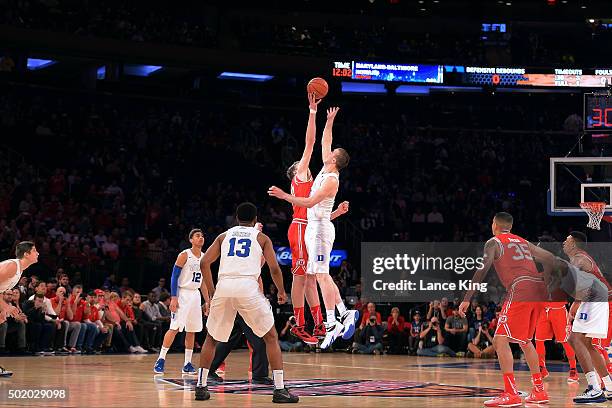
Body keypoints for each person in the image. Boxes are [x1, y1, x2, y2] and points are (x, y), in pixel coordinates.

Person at [269, 106, 357, 350]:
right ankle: (320, 318)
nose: (304, 162)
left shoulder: (327, 177)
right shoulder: (307, 175)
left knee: (315, 276)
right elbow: (318, 143)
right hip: (304, 227)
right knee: (307, 277)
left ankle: (328, 321)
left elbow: (315, 145)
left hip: (315, 226)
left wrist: (314, 113)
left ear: (334, 159)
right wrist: (325, 119)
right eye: (299, 164)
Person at [195, 202, 298, 403]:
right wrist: (281, 291)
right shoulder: (261, 238)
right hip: (247, 287)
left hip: (224, 286)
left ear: (236, 218)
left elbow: (204, 263)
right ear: (255, 220)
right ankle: (279, 390)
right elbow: (274, 268)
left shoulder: (223, 236)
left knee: (211, 339)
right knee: (270, 336)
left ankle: (200, 386)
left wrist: (213, 290)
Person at [458, 212, 554, 406]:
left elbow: (482, 270)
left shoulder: (494, 242)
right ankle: (539, 391)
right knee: (526, 341)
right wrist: (545, 283)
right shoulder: (522, 241)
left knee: (500, 340)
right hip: (538, 290)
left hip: (521, 288)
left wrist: (467, 298)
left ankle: (511, 394)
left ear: (495, 225)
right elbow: (550, 257)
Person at [563, 231, 612, 403]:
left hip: (594, 299)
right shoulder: (580, 257)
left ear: (574, 244)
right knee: (586, 343)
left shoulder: (578, 258)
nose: (563, 242)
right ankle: (609, 386)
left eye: (567, 240)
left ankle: (594, 388)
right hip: (598, 299)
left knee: (575, 339)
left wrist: (575, 305)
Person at [154, 229, 208, 374]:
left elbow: (203, 283)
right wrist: (174, 297)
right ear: (191, 239)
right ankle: (161, 359)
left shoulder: (204, 257)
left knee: (192, 330)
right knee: (175, 327)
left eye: (202, 236)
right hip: (183, 293)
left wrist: (207, 301)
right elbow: (174, 276)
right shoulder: (185, 255)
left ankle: (187, 363)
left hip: (195, 295)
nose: (201, 238)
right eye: (197, 236)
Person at [534, 299, 578, 383]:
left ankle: (573, 370)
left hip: (559, 309)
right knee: (538, 340)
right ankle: (542, 369)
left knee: (565, 341)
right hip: (543, 309)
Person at [0, 242, 39, 326]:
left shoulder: (19, 270)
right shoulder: (12, 266)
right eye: (34, 251)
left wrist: (3, 309)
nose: (38, 253)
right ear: (26, 254)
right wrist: (6, 307)